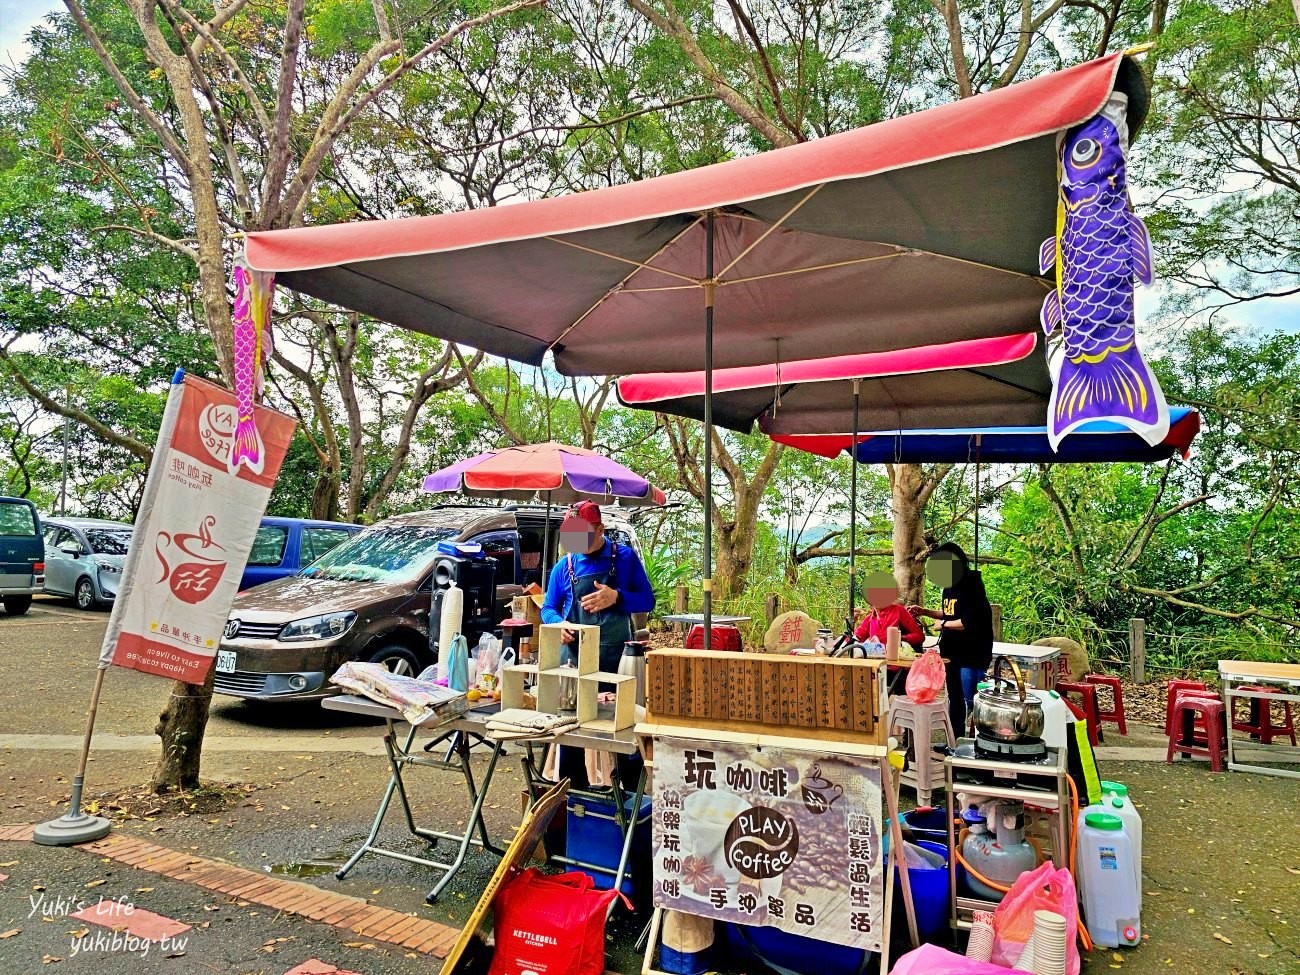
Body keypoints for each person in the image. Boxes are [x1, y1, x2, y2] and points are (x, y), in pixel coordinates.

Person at [541, 500, 655, 673]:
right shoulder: (563, 567)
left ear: (600, 530)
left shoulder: (625, 558)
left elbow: (648, 601)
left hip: (617, 661)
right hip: (574, 662)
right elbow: (548, 609)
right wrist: (558, 624)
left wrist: (618, 597)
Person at [909, 542, 994, 736]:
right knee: (954, 699)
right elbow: (949, 613)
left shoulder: (971, 584)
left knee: (970, 701)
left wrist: (944, 625)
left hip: (972, 653)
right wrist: (926, 612)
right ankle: (955, 742)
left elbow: (969, 620)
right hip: (951, 653)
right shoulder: (949, 587)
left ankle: (975, 745)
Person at [855, 570, 924, 650]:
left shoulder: (898, 611)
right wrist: (852, 622)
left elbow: (920, 637)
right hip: (877, 659)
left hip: (897, 658)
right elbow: (854, 641)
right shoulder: (869, 619)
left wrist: (900, 638)